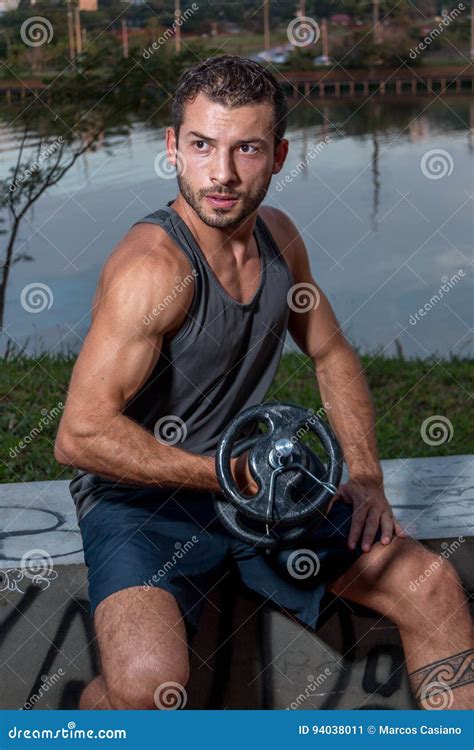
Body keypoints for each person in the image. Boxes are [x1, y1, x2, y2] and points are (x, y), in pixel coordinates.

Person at [55, 55, 473, 711]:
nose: (221, 174)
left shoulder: (280, 239)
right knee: (144, 687)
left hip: (255, 485)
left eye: (245, 148)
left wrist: (365, 475)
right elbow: (79, 436)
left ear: (278, 155)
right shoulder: (152, 269)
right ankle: (85, 721)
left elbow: (331, 354)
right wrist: (227, 475)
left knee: (432, 587)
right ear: (172, 148)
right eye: (201, 146)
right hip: (142, 500)